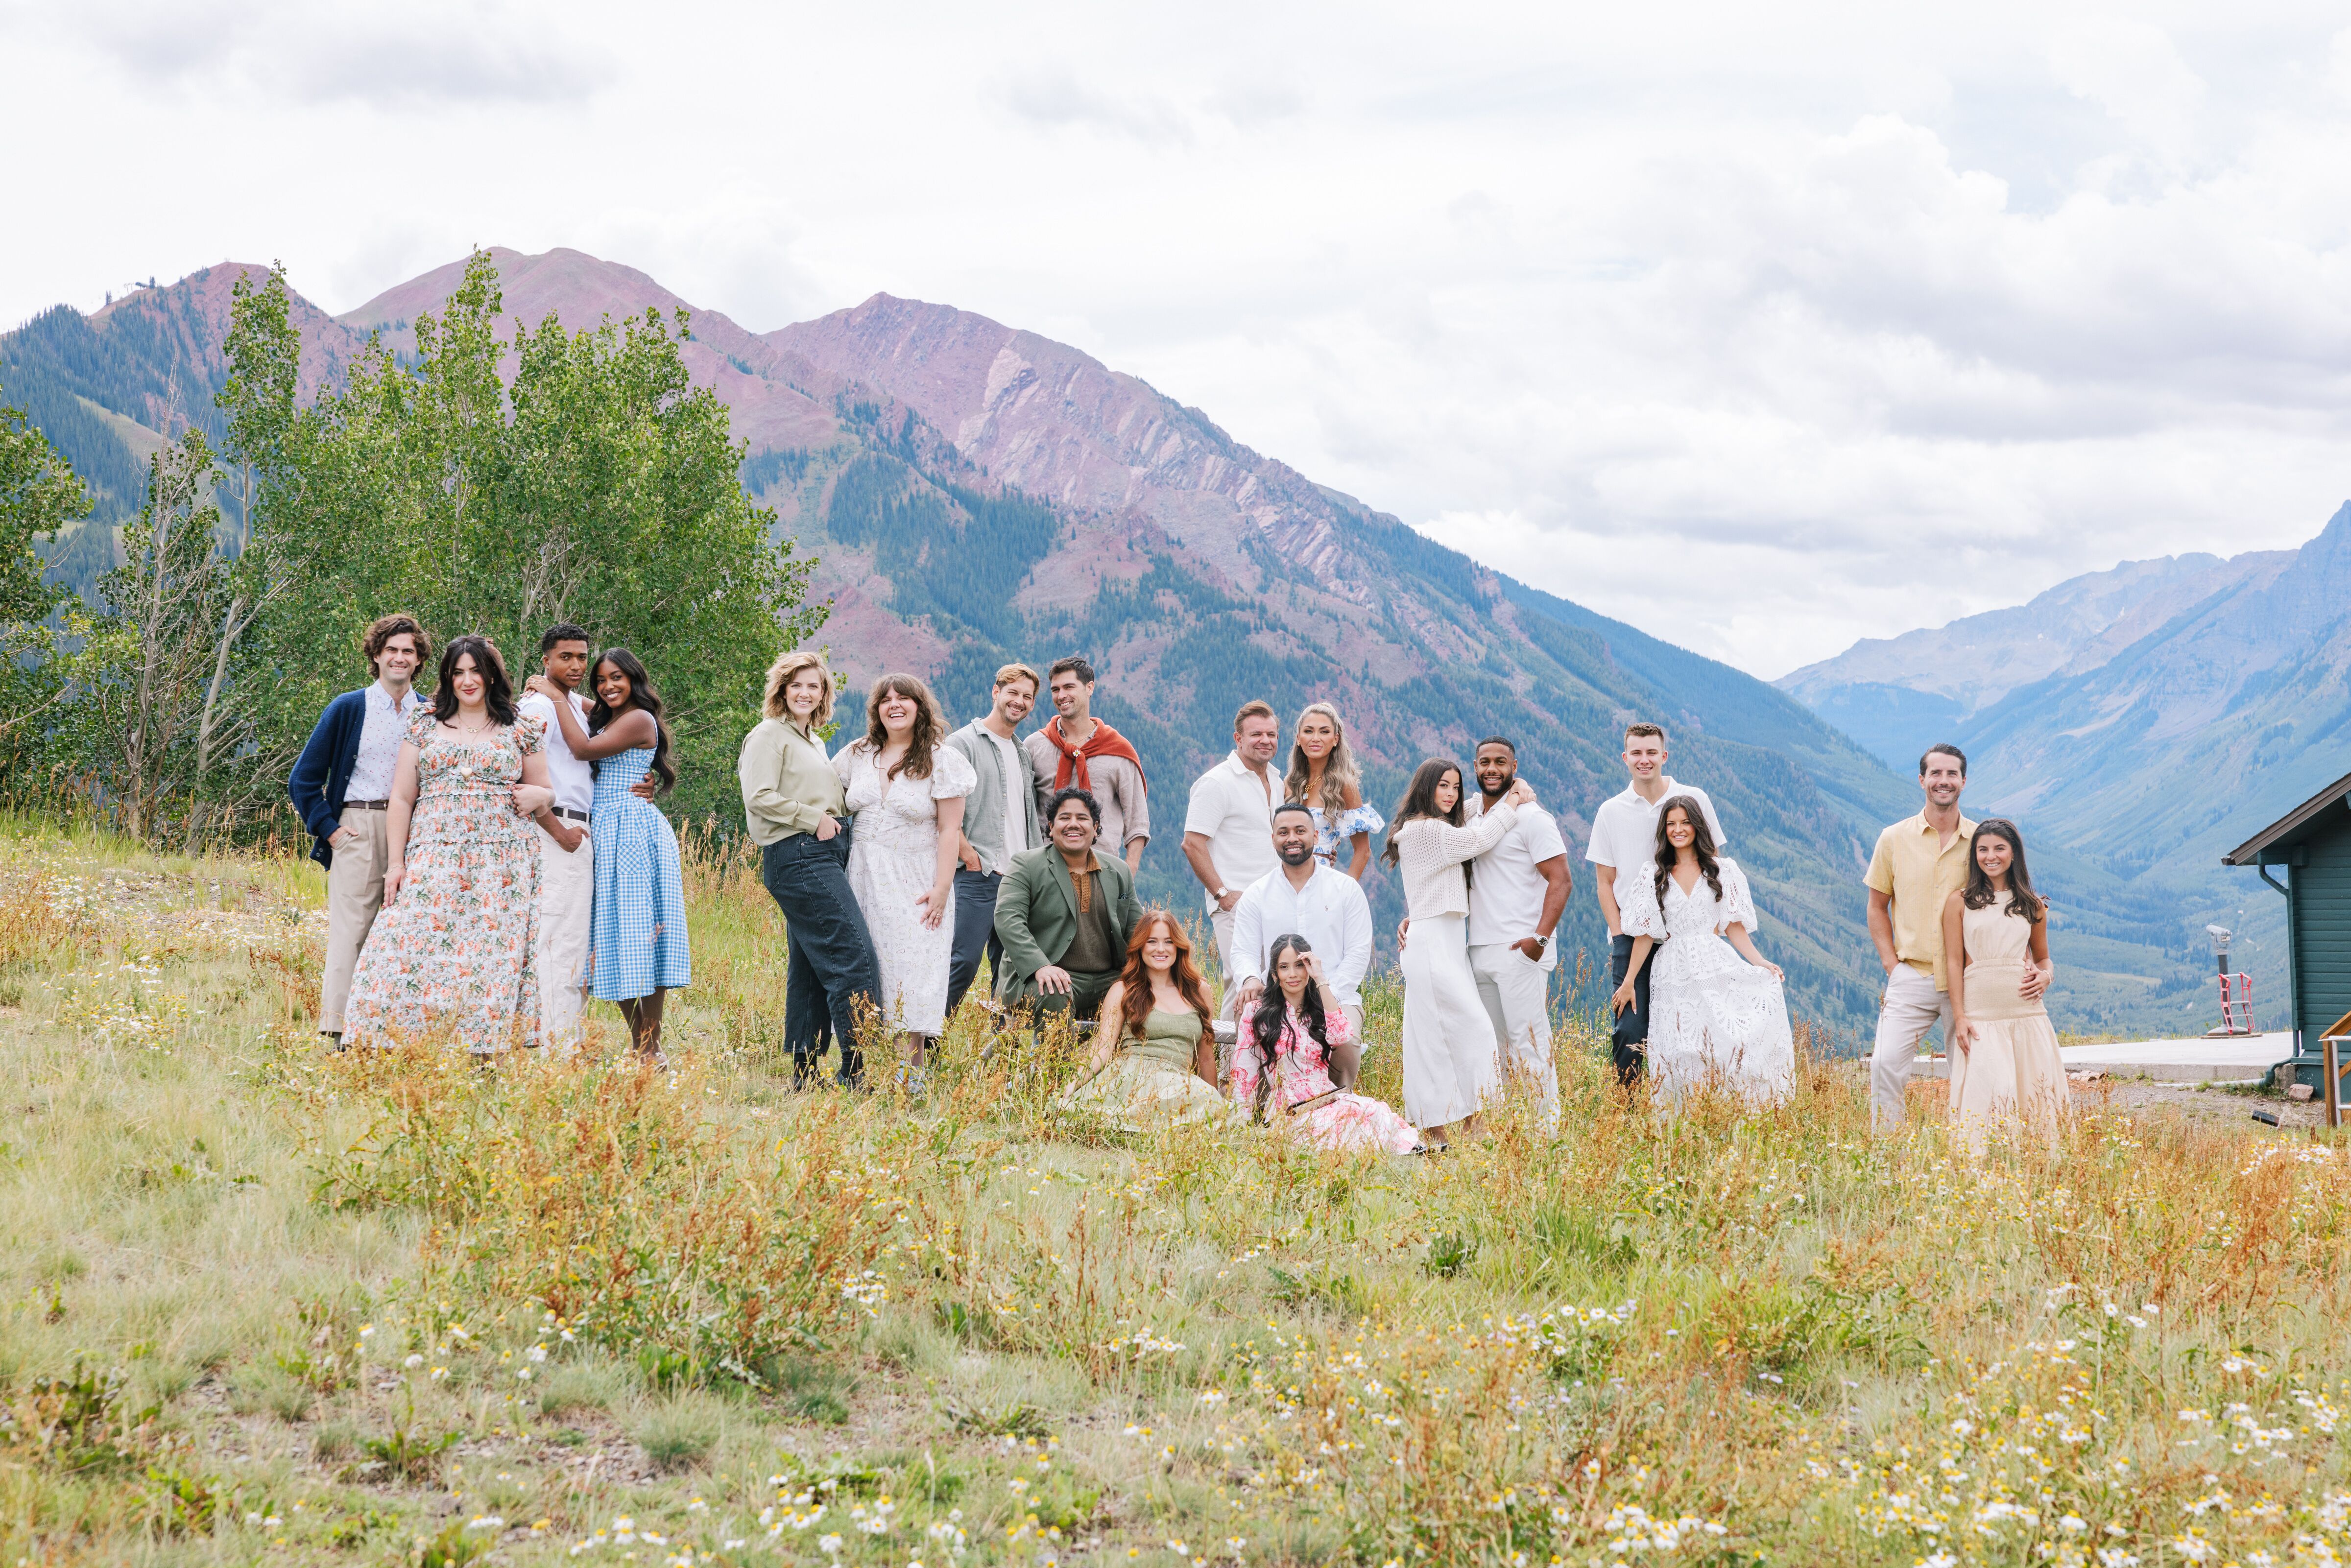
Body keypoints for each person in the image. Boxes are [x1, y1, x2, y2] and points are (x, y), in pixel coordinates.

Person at [343, 635, 555, 1054]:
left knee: (488, 958)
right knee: (403, 944)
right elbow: (402, 797)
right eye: (458, 672)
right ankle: (388, 1045)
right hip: (434, 853)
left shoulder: (521, 727)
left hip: (502, 861)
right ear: (446, 677)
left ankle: (482, 1052)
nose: (468, 680)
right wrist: (397, 865)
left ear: (492, 674)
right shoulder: (424, 723)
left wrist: (541, 798)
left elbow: (546, 791)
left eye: (476, 670)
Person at [528, 648, 691, 1060]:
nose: (607, 686)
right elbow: (586, 709)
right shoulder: (610, 715)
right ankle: (645, 1047)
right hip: (608, 831)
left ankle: (650, 1047)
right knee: (613, 939)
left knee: (641, 936)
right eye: (600, 680)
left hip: (634, 831)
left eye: (616, 677)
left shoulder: (639, 719)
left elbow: (581, 748)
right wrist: (555, 690)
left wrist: (557, 695)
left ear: (634, 678)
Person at [740, 651, 882, 1088]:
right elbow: (758, 796)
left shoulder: (813, 742)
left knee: (809, 965)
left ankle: (805, 1074)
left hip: (824, 853)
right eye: (796, 684)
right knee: (852, 954)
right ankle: (855, 1072)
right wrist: (813, 819)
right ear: (782, 690)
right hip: (798, 853)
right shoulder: (768, 734)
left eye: (814, 686)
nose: (805, 693)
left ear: (824, 695)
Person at [287, 613, 429, 1045]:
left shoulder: (429, 713)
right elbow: (303, 778)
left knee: (408, 932)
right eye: (392, 650)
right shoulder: (350, 707)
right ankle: (338, 1033)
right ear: (376, 655)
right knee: (352, 932)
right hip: (359, 825)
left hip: (415, 830)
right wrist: (329, 829)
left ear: (419, 659)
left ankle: (392, 1032)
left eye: (408, 651)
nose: (400, 658)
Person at [1385, 759, 1535, 1148]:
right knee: (1475, 1030)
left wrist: (1504, 790)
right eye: (1443, 786)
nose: (1451, 794)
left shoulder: (1426, 826)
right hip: (1434, 942)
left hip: (1441, 939)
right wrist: (1514, 798)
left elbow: (1468, 811)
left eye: (1455, 786)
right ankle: (1472, 1124)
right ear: (1426, 789)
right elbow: (1480, 838)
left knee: (1431, 1037)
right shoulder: (1429, 831)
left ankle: (1437, 1132)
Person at [833, 672, 975, 1083]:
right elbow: (821, 790)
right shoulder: (858, 753)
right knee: (867, 965)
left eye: (904, 698)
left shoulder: (941, 759)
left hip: (916, 876)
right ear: (876, 709)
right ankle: (857, 1065)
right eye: (885, 699)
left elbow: (950, 830)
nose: (894, 705)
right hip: (861, 874)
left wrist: (942, 889)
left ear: (920, 706)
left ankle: (910, 1076)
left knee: (916, 970)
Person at [1609, 797, 1793, 1109]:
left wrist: (1760, 962)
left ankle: (1729, 1114)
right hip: (1671, 970)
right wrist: (1628, 983)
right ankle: (1680, 1124)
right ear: (1663, 830)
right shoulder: (1653, 874)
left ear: (1697, 826)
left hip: (1713, 963)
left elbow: (1734, 926)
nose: (1678, 830)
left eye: (1685, 823)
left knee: (1723, 1042)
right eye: (1671, 824)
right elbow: (1644, 935)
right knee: (1677, 1048)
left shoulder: (1722, 870)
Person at [1585, 722, 1727, 1086]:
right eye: (1636, 753)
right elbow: (1605, 882)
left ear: (1664, 756)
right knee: (1629, 1031)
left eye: (1651, 752)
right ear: (1625, 758)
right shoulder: (1610, 812)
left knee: (1695, 1027)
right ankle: (1628, 1114)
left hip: (1687, 937)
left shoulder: (1692, 799)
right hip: (1633, 939)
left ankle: (1694, 1107)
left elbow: (1714, 866)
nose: (1644, 760)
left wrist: (1711, 933)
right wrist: (1619, 935)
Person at [1865, 744, 1980, 1131]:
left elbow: (2003, 907)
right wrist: (1890, 965)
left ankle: (1968, 1148)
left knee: (1970, 1068)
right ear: (1922, 780)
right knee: (1884, 1065)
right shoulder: (1893, 839)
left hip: (1966, 978)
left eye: (1951, 775)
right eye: (1935, 774)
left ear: (1964, 781)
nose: (1943, 781)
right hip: (1910, 973)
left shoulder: (1982, 841)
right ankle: (1887, 1149)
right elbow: (1877, 905)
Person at [1464, 737, 1572, 1123]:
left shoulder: (1533, 818)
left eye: (1500, 762)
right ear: (1474, 767)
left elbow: (1561, 880)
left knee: (1529, 1042)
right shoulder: (1472, 817)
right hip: (1479, 949)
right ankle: (1512, 1129)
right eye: (1484, 762)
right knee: (1495, 1048)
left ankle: (1547, 1133)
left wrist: (1539, 940)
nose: (1491, 769)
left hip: (1521, 949)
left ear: (1514, 766)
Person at [1232, 934, 1421, 1155]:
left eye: (1299, 966)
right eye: (1284, 967)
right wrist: (1242, 1123)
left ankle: (1408, 1150)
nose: (1293, 974)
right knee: (1330, 1129)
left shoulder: (1321, 1008)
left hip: (1328, 1097)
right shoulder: (1257, 1012)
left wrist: (1320, 978)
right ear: (1275, 975)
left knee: (1372, 1112)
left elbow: (1342, 1036)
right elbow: (1244, 1072)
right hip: (1291, 1108)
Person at [1943, 819, 2063, 1152]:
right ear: (1974, 855)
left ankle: (2035, 1166)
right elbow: (1953, 961)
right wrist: (1960, 1017)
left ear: (2014, 854)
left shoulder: (2033, 905)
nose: (1990, 856)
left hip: (2027, 1015)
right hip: (1981, 1013)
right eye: (1983, 849)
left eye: (1999, 848)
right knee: (1989, 1090)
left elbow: (2044, 959)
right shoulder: (1960, 901)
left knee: (2032, 1093)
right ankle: (1981, 1169)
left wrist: (2046, 977)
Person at [1057, 910, 1235, 1129]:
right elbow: (1104, 1046)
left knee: (1208, 1107)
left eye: (1168, 942)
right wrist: (1071, 1086)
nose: (1161, 949)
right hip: (1133, 1078)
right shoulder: (1123, 990)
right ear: (1140, 946)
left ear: (1178, 947)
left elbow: (1206, 1056)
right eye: (1152, 941)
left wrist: (1214, 1100)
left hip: (1178, 1082)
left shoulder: (1199, 990)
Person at [993, 787, 1144, 1024]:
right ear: (1051, 828)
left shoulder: (1118, 870)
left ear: (1095, 829)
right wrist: (1040, 966)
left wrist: (1172, 974)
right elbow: (1008, 919)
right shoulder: (1027, 865)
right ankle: (1053, 1063)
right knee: (1056, 992)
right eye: (1065, 818)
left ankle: (1125, 1062)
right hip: (1040, 977)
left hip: (1107, 980)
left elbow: (1139, 931)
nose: (1074, 824)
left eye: (1082, 818)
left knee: (1148, 995)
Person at [943, 663, 1043, 1017]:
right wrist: (970, 856)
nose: (1019, 702)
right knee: (961, 963)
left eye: (1027, 697)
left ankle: (1000, 1059)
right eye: (1013, 692)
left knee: (1010, 972)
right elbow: (940, 809)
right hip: (977, 875)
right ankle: (925, 1049)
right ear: (995, 692)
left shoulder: (1022, 752)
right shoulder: (962, 743)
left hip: (1018, 879)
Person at [514, 624, 597, 1049]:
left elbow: (611, 706)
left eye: (582, 657)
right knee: (558, 942)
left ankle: (560, 1043)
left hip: (576, 829)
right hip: (559, 831)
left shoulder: (565, 703)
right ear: (546, 660)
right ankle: (557, 1050)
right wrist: (560, 832)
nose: (577, 665)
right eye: (566, 657)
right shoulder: (539, 709)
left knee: (569, 942)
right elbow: (519, 776)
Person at [1230, 803, 1374, 1044]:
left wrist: (1327, 994)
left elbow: (1358, 954)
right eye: (1284, 833)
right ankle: (1262, 1084)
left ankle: (1340, 1085)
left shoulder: (1346, 889)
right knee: (1250, 1020)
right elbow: (1244, 951)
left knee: (1346, 1041)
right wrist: (1251, 978)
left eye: (1300, 831)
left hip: (1336, 996)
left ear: (1315, 836)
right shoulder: (1257, 893)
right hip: (1275, 995)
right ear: (1273, 838)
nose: (1292, 838)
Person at [1183, 700, 1283, 1004]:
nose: (1265, 741)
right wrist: (1222, 895)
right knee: (1242, 985)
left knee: (1272, 988)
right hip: (1236, 904)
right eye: (1256, 734)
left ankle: (1263, 1053)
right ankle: (1230, 1055)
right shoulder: (1217, 782)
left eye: (1272, 734)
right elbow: (1192, 843)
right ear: (1238, 738)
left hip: (1275, 899)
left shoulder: (1277, 782)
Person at [1024, 656, 1150, 873]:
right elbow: (1022, 811)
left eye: (1069, 687)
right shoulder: (1035, 746)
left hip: (1103, 868)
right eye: (1055, 690)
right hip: (1045, 870)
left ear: (1089, 688)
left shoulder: (1117, 750)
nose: (1061, 696)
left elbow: (1137, 820)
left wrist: (1128, 873)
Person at [1286, 702, 1381, 878]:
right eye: (1308, 731)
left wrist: (1345, 893)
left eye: (1324, 731)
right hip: (1284, 878)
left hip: (1321, 880)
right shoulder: (1290, 783)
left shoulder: (1344, 784)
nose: (1316, 738)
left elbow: (1363, 851)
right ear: (1299, 738)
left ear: (1336, 739)